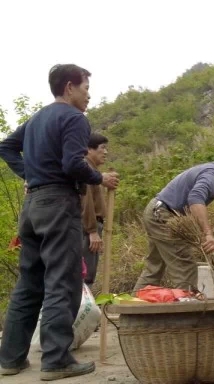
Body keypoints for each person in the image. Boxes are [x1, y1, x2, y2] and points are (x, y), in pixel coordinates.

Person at [0, 64, 119, 381]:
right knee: (61, 283)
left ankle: (10, 359)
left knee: (29, 283)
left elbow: (6, 146)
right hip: (58, 205)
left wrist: (31, 175)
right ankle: (56, 360)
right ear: (69, 87)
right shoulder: (74, 119)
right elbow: (72, 163)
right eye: (85, 88)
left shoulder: (36, 119)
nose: (88, 96)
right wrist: (100, 177)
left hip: (33, 207)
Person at [132, 144, 214, 293]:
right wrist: (208, 234)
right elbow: (195, 199)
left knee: (154, 267)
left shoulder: (210, 170)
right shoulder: (212, 177)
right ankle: (186, 309)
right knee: (185, 265)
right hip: (163, 215)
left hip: (156, 211)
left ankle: (133, 309)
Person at [82, 132, 109, 287]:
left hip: (91, 227)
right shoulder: (86, 169)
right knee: (86, 273)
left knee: (88, 271)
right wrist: (92, 231)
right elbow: (86, 202)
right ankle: (81, 308)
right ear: (89, 149)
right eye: (102, 148)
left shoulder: (92, 170)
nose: (105, 152)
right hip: (87, 229)